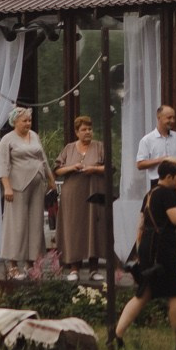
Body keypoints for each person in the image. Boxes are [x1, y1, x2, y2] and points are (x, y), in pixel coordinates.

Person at [112, 160, 176, 350]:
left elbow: (141, 223)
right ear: (168, 177)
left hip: (147, 246)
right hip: (163, 249)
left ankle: (116, 336)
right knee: (175, 295)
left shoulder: (150, 194)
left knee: (143, 294)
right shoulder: (167, 195)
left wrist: (139, 250)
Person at [0, 107, 53, 274]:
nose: (28, 123)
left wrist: (50, 179)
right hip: (17, 185)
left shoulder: (34, 135)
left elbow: (42, 158)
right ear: (15, 122)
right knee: (17, 223)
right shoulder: (7, 139)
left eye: (29, 120)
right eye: (24, 121)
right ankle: (13, 263)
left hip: (37, 182)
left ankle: (32, 262)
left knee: (35, 222)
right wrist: (6, 186)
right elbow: (3, 165)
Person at [135, 105, 176, 256]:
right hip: (158, 185)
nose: (172, 121)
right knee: (160, 225)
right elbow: (140, 164)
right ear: (159, 118)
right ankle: (154, 257)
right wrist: (161, 160)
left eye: (173, 117)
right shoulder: (147, 140)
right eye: (169, 117)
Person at [54, 113, 109, 267]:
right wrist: (72, 167)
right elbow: (57, 170)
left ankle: (94, 267)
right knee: (74, 228)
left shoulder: (99, 147)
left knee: (95, 227)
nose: (88, 132)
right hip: (73, 195)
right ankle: (74, 268)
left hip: (93, 191)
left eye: (90, 129)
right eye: (84, 129)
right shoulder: (69, 148)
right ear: (77, 132)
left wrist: (95, 168)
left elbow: (109, 168)